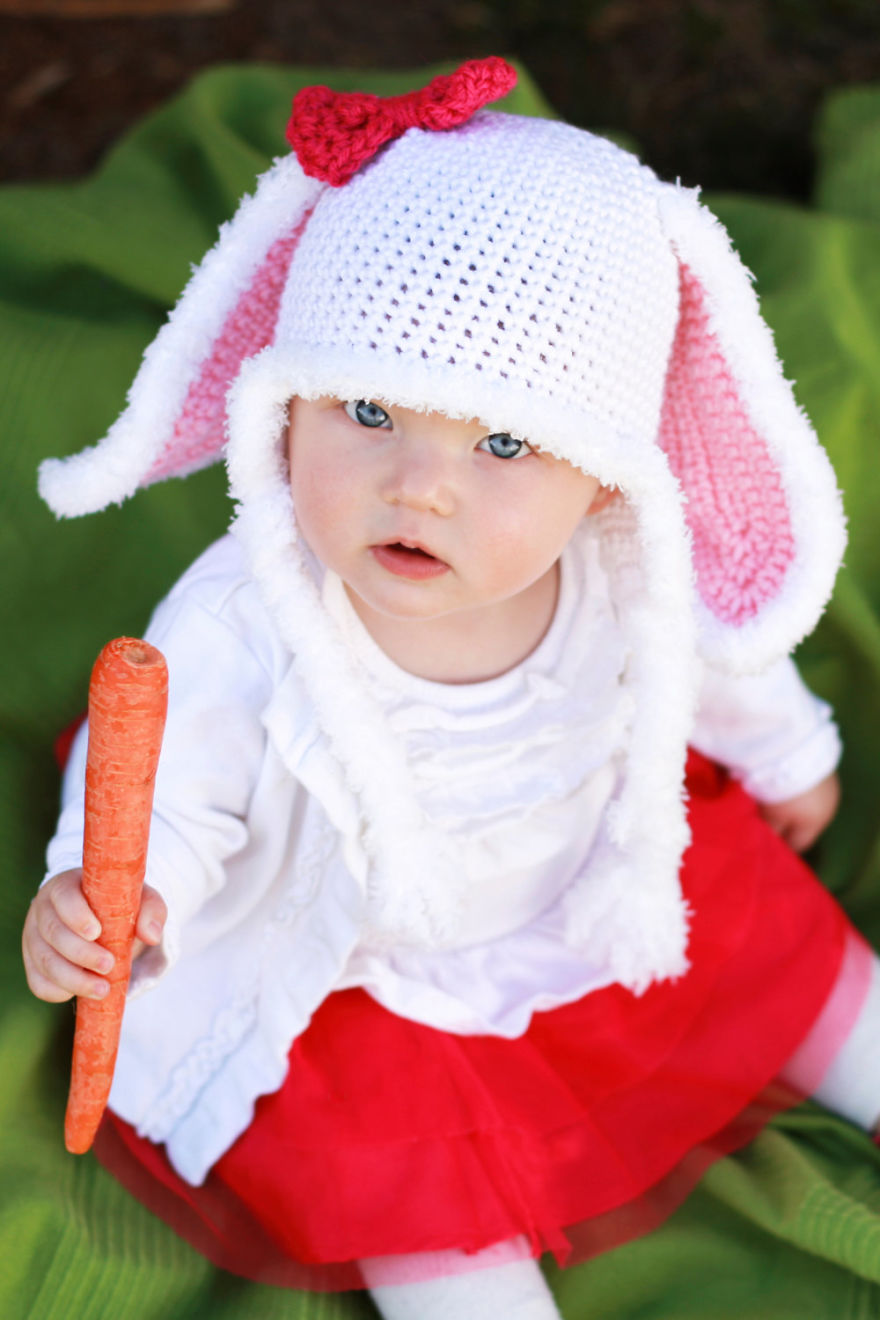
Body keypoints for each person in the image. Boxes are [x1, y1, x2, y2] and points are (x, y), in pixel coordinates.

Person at [20, 56, 876, 1318]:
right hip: (365, 968)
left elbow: (710, 664)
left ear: (597, 478)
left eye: (505, 444)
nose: (420, 485)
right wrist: (122, 896)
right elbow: (167, 788)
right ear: (285, 406)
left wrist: (789, 754)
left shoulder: (622, 562)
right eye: (366, 407)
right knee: (413, 1187)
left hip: (588, 879)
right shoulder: (246, 615)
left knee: (786, 959)